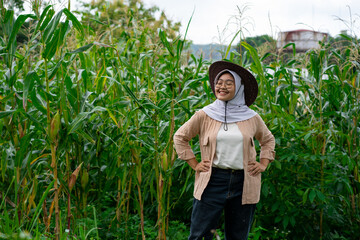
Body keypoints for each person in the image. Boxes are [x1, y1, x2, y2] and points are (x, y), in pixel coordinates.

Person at [173, 61, 275, 240]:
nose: (222, 86)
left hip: (244, 181)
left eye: (229, 82)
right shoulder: (205, 114)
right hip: (212, 180)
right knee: (199, 235)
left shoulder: (251, 117)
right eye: (219, 82)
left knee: (237, 236)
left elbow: (268, 140)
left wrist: (263, 163)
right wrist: (194, 164)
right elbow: (180, 137)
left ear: (239, 87)